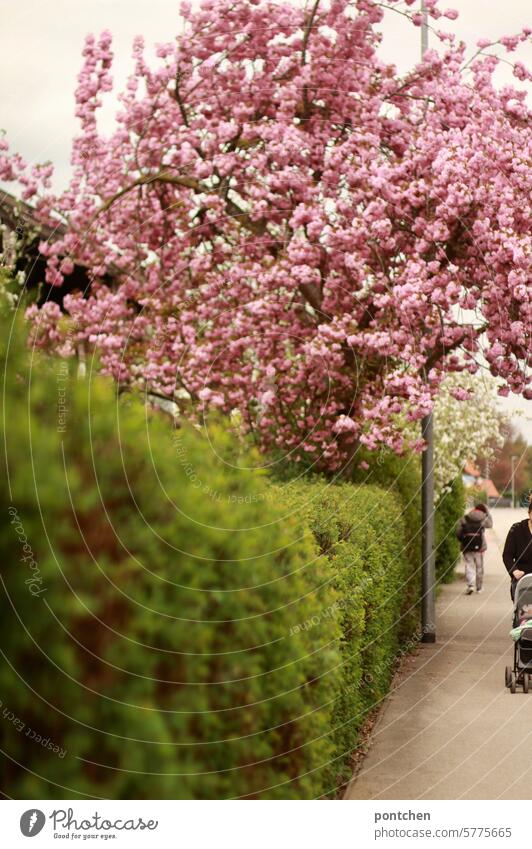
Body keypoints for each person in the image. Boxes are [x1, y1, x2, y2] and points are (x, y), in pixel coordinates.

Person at [456, 503, 493, 595]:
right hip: (479, 547)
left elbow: (458, 531)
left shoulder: (466, 518)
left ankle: (470, 585)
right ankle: (479, 588)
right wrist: (488, 513)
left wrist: (462, 540)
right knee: (479, 567)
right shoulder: (483, 518)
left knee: (469, 565)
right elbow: (490, 525)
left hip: (467, 546)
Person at [503, 499, 532, 600]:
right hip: (522, 578)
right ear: (529, 513)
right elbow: (507, 555)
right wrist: (514, 571)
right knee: (522, 610)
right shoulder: (516, 529)